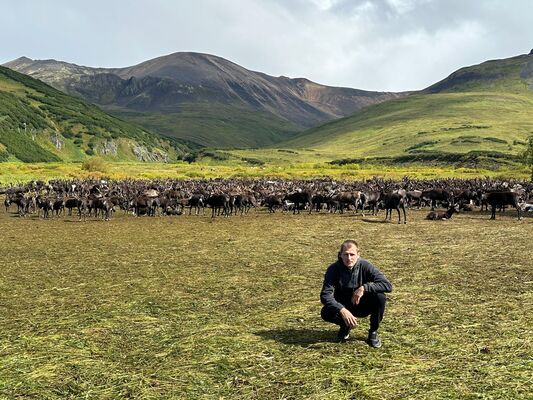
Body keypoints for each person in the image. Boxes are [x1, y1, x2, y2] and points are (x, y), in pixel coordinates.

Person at [320, 239, 392, 348]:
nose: (349, 258)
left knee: (380, 297)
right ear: (340, 255)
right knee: (326, 312)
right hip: (344, 305)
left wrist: (364, 288)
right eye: (346, 254)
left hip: (362, 305)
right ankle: (345, 325)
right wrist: (341, 309)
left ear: (358, 254)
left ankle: (373, 332)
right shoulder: (333, 269)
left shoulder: (365, 266)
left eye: (352, 254)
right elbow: (325, 295)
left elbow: (387, 285)